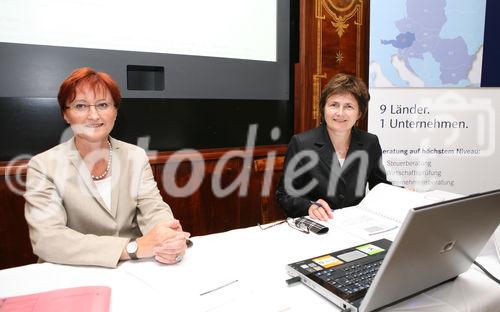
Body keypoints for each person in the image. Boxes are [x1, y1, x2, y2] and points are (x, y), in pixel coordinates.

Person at [24, 67, 189, 268]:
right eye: (81, 106)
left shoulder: (135, 156)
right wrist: (132, 248)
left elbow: (153, 208)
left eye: (102, 105)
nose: (93, 115)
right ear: (65, 115)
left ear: (115, 111)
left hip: (133, 271)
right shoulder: (43, 166)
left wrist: (169, 237)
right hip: (71, 272)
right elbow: (48, 239)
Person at [276, 73, 390, 221]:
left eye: (349, 106)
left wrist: (403, 195)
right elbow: (284, 194)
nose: (340, 113)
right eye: (334, 105)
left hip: (355, 224)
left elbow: (380, 187)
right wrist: (309, 206)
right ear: (324, 109)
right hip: (317, 225)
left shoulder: (370, 142)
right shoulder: (302, 143)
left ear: (359, 113)